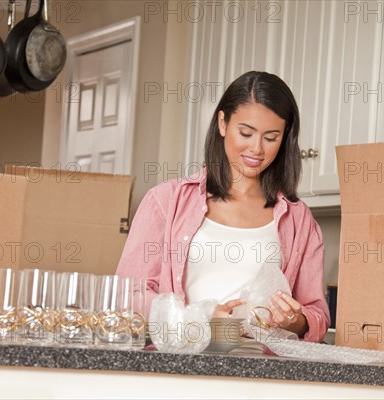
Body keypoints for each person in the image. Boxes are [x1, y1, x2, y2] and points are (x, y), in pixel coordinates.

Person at [116, 71, 330, 342]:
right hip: (178, 366)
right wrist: (197, 315)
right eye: (246, 132)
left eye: (271, 137)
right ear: (222, 123)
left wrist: (294, 321)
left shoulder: (298, 218)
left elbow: (318, 315)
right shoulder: (165, 201)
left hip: (262, 372)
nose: (256, 149)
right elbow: (128, 295)